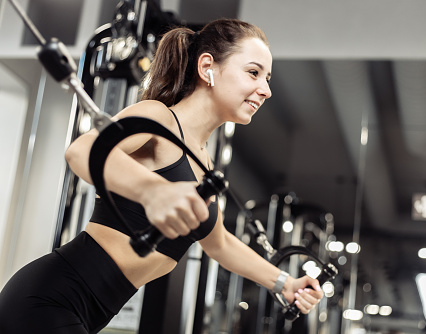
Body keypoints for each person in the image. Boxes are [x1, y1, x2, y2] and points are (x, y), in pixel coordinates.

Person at [0, 18, 324, 334]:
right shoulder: (159, 118)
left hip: (92, 312)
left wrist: (285, 283)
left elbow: (221, 244)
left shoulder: (206, 163)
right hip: (52, 298)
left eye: (267, 78)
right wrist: (152, 190)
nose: (265, 90)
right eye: (253, 72)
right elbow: (82, 151)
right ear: (207, 67)